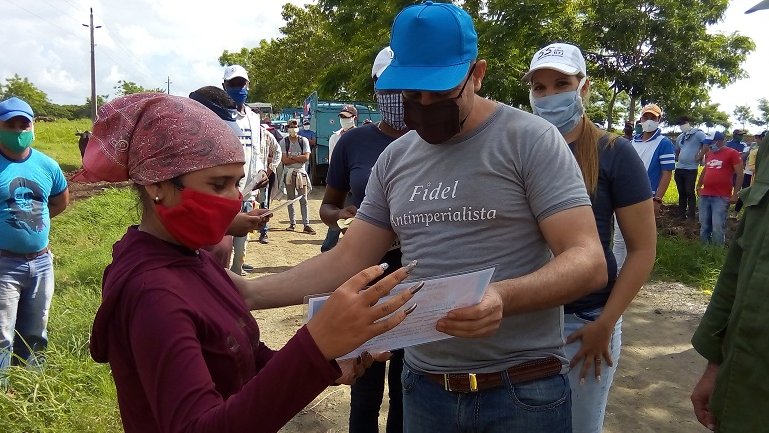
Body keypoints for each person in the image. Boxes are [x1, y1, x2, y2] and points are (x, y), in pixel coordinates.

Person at [238, 3, 607, 432]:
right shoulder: (396, 159)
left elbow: (587, 260)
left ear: (477, 73)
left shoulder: (530, 140)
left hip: (521, 391)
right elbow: (348, 258)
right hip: (425, 390)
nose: (425, 105)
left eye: (440, 92)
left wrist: (504, 297)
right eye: (413, 94)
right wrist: (247, 293)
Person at [75, 93, 418, 433]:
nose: (235, 199)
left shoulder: (192, 261)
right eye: (218, 184)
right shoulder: (154, 294)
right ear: (158, 186)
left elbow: (244, 358)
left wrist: (325, 365)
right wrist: (315, 344)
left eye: (237, 183)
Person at [525, 42, 656, 433]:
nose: (549, 96)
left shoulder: (614, 152)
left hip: (583, 324)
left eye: (561, 84)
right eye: (540, 88)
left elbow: (642, 249)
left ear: (583, 88)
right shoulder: (519, 150)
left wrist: (606, 323)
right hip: (523, 322)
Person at [320, 46, 409, 433]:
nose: (397, 95)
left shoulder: (435, 142)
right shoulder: (353, 143)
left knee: (409, 382)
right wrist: (344, 217)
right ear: (375, 88)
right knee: (365, 382)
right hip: (366, 275)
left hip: (417, 277)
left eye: (404, 84)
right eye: (386, 85)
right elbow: (327, 206)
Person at [690, 131, 769, 432]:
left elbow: (738, 177)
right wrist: (717, 364)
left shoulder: (734, 155)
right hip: (746, 389)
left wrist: (734, 192)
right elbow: (741, 265)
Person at [0, 97, 69, 374]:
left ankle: (32, 384)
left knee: (36, 330)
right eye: (10, 124)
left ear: (33, 126)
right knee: (2, 334)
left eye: (23, 124)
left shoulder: (47, 165)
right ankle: (3, 395)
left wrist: (31, 226)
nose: (18, 131)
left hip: (41, 263)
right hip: (3, 264)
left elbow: (59, 201)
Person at [222, 65, 273, 275]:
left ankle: (237, 271)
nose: (238, 88)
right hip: (225, 193)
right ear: (224, 86)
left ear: (248, 85)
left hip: (249, 191)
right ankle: (222, 276)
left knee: (243, 238)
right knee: (223, 242)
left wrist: (261, 172)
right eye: (233, 84)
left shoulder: (253, 117)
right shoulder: (219, 116)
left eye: (241, 83)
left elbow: (256, 149)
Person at [613, 103, 675, 270]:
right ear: (641, 119)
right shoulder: (633, 141)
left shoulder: (664, 143)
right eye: (646, 117)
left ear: (659, 120)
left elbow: (667, 173)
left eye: (652, 118)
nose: (648, 120)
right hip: (624, 197)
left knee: (638, 242)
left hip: (646, 198)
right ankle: (615, 275)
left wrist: (658, 199)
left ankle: (633, 277)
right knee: (619, 240)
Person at [696, 131, 744, 245]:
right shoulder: (709, 154)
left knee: (717, 225)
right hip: (706, 194)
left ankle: (716, 251)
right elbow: (705, 170)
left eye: (711, 142)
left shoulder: (732, 153)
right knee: (704, 224)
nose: (709, 145)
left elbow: (740, 174)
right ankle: (704, 248)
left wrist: (735, 194)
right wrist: (698, 185)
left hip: (721, 196)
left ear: (720, 141)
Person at [281, 119, 315, 234]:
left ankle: (306, 224)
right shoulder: (284, 142)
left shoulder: (303, 140)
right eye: (291, 126)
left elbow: (306, 157)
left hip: (301, 173)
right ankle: (292, 223)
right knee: (290, 199)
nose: (293, 128)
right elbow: (284, 160)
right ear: (288, 128)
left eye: (295, 126)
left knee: (303, 199)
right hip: (289, 174)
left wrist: (291, 158)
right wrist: (298, 158)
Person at [674, 116, 707, 220]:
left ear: (688, 122)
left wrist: (700, 155)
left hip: (691, 168)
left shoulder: (698, 133)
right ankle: (681, 214)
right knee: (681, 192)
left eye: (683, 123)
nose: (682, 125)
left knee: (689, 191)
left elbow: (707, 144)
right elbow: (677, 149)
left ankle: (691, 215)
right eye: (680, 124)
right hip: (679, 168)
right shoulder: (680, 137)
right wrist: (679, 157)